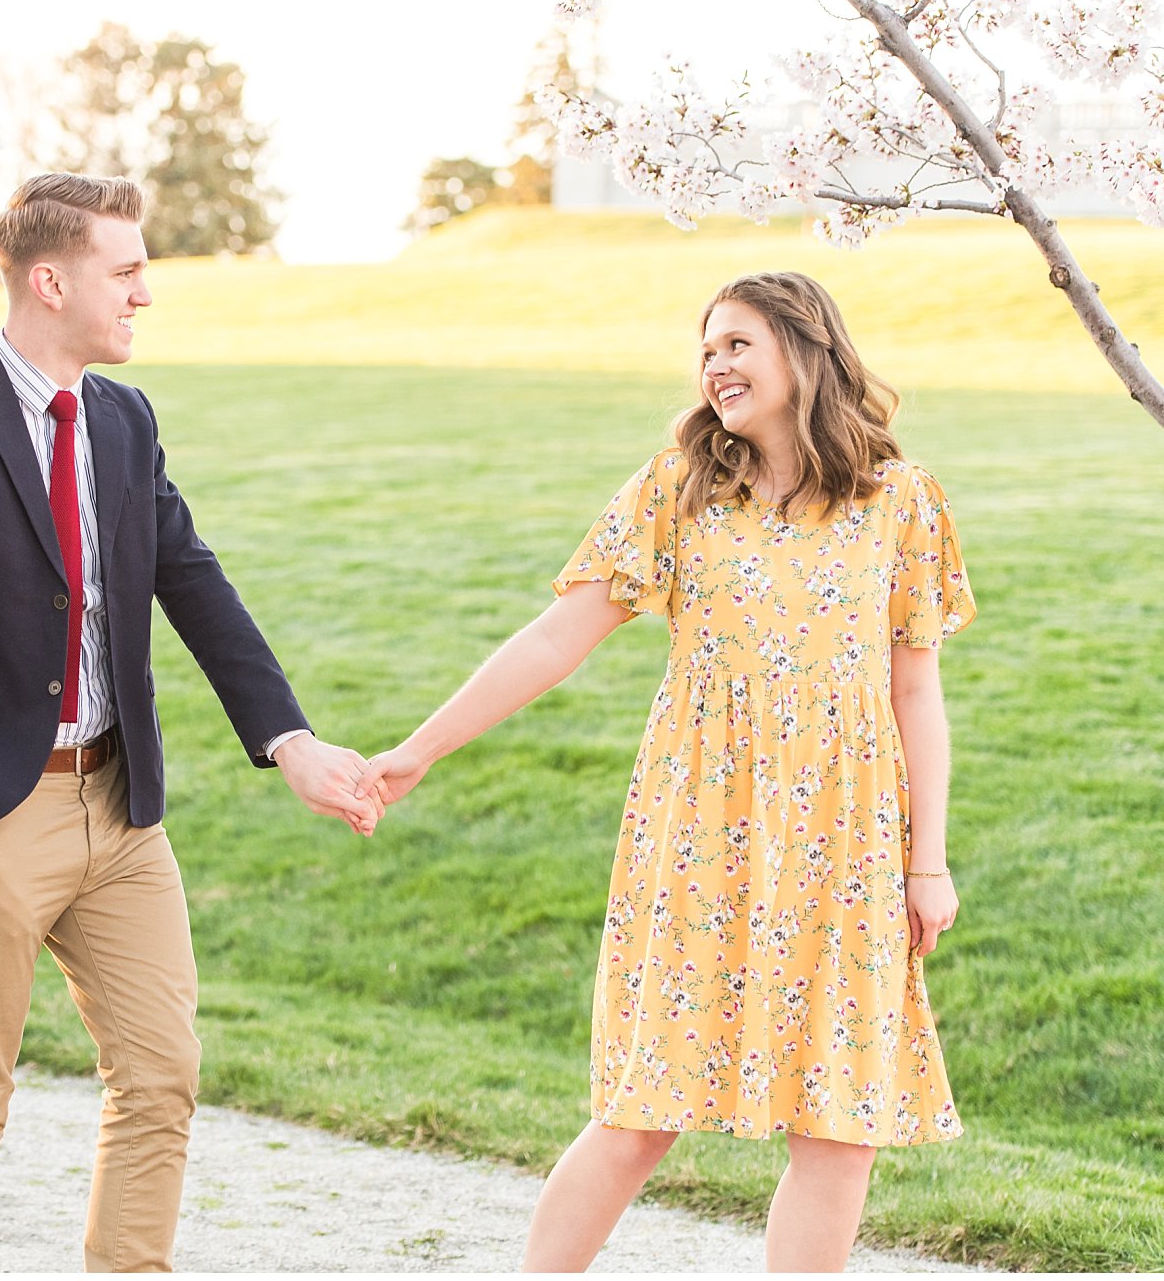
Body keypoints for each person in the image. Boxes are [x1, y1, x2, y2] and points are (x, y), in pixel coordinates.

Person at [0, 172, 380, 1273]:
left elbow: (191, 578)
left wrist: (291, 739)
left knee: (161, 1074)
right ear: (49, 278)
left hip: (120, 812)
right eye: (125, 272)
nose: (143, 295)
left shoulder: (122, 419)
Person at [368, 271, 975, 1272]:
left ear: (804, 349)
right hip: (699, 829)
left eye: (736, 343)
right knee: (642, 1105)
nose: (714, 364)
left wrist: (927, 861)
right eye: (705, 350)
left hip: (846, 836)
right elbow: (556, 635)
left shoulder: (896, 501)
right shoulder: (678, 489)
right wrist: (416, 750)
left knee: (838, 1123)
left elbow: (917, 693)